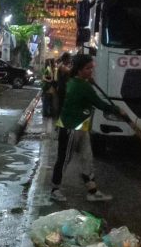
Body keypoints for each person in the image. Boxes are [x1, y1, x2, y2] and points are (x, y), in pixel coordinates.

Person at [49, 54, 125, 202]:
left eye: (92, 68)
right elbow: (100, 104)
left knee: (87, 159)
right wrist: (118, 110)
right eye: (88, 68)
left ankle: (92, 191)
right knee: (64, 159)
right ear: (79, 70)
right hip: (70, 128)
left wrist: (87, 81)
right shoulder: (82, 86)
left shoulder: (75, 82)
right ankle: (54, 189)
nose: (91, 71)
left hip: (81, 127)